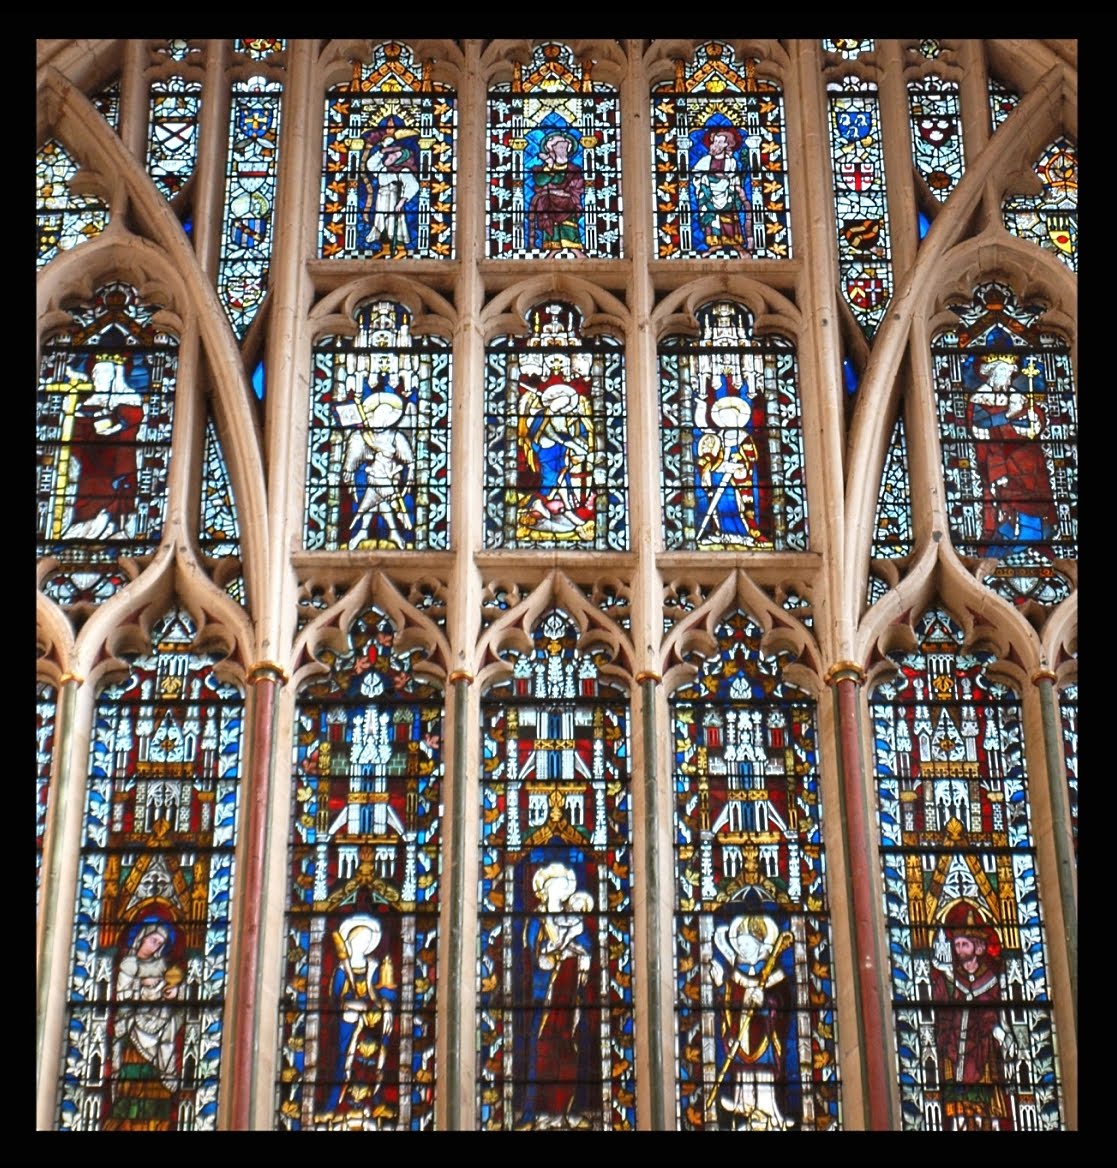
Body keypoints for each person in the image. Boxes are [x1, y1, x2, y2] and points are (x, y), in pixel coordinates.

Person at [519, 863, 596, 1129]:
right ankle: (541, 1112)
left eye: (567, 885)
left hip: (569, 992)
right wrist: (548, 957)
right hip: (545, 994)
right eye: (560, 883)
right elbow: (532, 957)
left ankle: (566, 1108)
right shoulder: (538, 919)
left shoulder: (571, 917)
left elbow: (586, 947)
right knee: (543, 1048)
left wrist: (580, 955)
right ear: (547, 887)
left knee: (569, 1048)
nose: (564, 889)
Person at [930, 907, 1016, 1130]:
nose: (959, 950)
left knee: (985, 1106)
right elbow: (940, 1008)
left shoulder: (990, 978)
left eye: (964, 944)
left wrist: (998, 1031)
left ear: (977, 948)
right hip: (953, 1052)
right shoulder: (950, 977)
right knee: (957, 1108)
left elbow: (994, 1011)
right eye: (956, 945)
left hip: (982, 1052)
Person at [708, 914, 794, 1130]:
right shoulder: (737, 975)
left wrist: (766, 1002)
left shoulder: (775, 975)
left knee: (763, 1071)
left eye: (748, 944)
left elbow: (784, 1003)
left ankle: (768, 1110)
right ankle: (743, 1104)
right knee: (743, 1070)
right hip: (741, 1034)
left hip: (764, 1034)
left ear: (760, 944)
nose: (743, 949)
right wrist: (720, 984)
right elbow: (726, 1001)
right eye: (740, 944)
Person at [967, 352, 1057, 556]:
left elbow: (1030, 418)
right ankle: (1008, 532)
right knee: (1009, 483)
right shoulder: (980, 397)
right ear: (993, 374)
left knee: (1034, 466)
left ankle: (1037, 532)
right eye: (1005, 375)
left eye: (1009, 376)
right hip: (995, 453)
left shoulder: (1015, 394)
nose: (1008, 380)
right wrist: (1008, 415)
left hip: (1022, 450)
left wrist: (1034, 419)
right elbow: (980, 424)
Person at [105, 921, 184, 1131]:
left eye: (161, 943)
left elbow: (172, 989)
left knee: (156, 1086)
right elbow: (122, 997)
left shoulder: (162, 966)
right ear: (142, 938)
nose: (156, 946)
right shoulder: (128, 965)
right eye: (153, 940)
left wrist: (172, 993)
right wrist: (143, 987)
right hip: (132, 1033)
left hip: (159, 1030)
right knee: (131, 1082)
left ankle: (156, 1125)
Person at [323, 914, 397, 1127]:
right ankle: (336, 1104)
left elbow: (383, 994)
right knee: (343, 1062)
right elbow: (336, 999)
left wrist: (386, 1006)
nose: (364, 944)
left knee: (373, 1062)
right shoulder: (341, 971)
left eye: (367, 941)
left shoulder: (374, 967)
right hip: (349, 1020)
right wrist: (354, 1004)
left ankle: (374, 1100)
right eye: (360, 940)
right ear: (351, 941)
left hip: (372, 1023)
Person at [61, 355, 144, 541]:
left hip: (115, 466)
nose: (100, 377)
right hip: (88, 467)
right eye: (96, 372)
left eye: (105, 372)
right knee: (86, 496)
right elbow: (75, 436)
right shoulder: (84, 405)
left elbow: (134, 417)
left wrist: (113, 421)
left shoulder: (126, 401)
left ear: (115, 376)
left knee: (114, 492)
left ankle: (110, 524)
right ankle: (82, 527)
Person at [517, 375, 597, 541]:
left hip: (560, 453)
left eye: (567, 403)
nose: (565, 405)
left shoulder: (563, 415)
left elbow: (568, 434)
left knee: (562, 478)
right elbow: (547, 434)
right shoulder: (542, 414)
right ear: (555, 399)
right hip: (547, 452)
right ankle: (537, 503)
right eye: (563, 402)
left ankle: (568, 510)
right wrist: (570, 444)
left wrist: (575, 444)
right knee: (551, 478)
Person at [693, 376, 767, 546]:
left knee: (738, 506)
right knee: (719, 507)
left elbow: (750, 460)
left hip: (738, 480)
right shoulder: (719, 436)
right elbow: (704, 432)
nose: (727, 420)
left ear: (737, 418)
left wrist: (737, 466)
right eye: (723, 417)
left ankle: (743, 534)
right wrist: (701, 406)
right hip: (720, 477)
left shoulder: (743, 437)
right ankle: (721, 532)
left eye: (730, 417)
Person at [341, 381, 414, 549]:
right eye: (379, 414)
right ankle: (392, 533)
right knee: (377, 501)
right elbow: (352, 458)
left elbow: (409, 460)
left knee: (373, 502)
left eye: (386, 415)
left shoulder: (396, 436)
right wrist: (349, 469)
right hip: (374, 475)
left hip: (389, 476)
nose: (382, 418)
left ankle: (365, 532)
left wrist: (409, 476)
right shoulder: (363, 437)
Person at [691, 126, 751, 254]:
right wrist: (706, 179)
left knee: (728, 218)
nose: (715, 144)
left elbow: (733, 177)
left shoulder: (731, 162)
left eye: (719, 141)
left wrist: (735, 187)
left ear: (726, 144)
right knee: (712, 219)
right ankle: (714, 244)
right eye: (714, 141)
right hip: (710, 195)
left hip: (727, 194)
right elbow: (696, 174)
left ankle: (733, 242)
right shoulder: (706, 160)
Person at [364, 132, 420, 256]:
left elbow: (413, 185)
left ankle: (401, 250)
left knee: (394, 223)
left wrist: (401, 201)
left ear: (399, 161)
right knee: (380, 222)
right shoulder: (382, 169)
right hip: (381, 198)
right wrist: (381, 152)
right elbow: (370, 165)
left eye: (393, 157)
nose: (389, 158)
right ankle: (385, 249)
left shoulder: (403, 171)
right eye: (390, 155)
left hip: (393, 198)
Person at [528, 130, 584, 251]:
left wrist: (567, 193)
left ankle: (574, 250)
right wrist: (549, 166)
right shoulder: (543, 168)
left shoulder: (574, 169)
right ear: (551, 150)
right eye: (560, 147)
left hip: (568, 204)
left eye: (565, 147)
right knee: (551, 229)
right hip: (548, 204)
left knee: (568, 229)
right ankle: (552, 250)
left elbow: (578, 185)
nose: (563, 150)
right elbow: (540, 182)